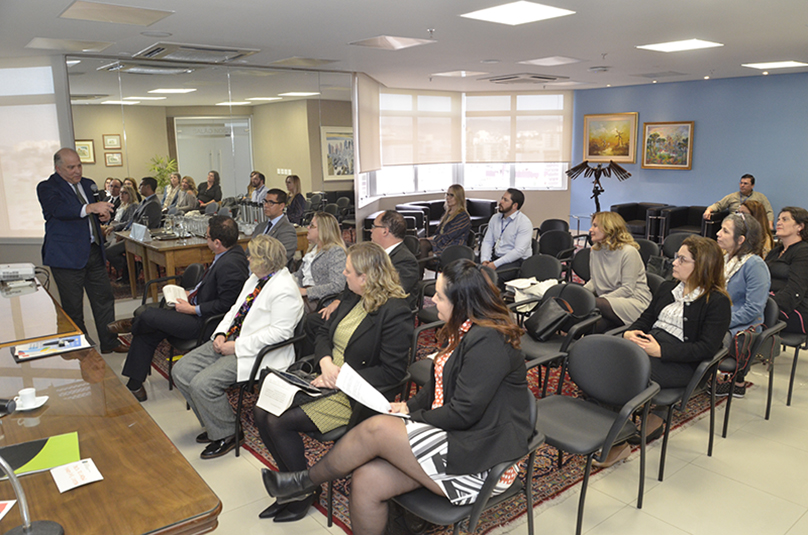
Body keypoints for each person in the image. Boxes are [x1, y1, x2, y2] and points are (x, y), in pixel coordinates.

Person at [260, 258, 532, 531]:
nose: (432, 300)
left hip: (481, 458)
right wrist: (407, 406)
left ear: (460, 301)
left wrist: (413, 417)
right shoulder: (466, 330)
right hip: (458, 438)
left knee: (377, 429)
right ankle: (302, 482)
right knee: (366, 479)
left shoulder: (488, 340)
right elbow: (439, 385)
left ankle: (305, 481)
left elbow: (464, 412)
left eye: (439, 295)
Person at [254, 241, 412, 523]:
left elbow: (392, 372)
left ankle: (303, 491)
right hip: (325, 376)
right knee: (261, 410)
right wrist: (326, 362)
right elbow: (323, 333)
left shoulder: (394, 312)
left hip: (353, 394)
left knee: (279, 421)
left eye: (348, 270)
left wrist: (341, 379)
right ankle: (291, 486)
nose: (343, 273)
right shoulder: (352, 295)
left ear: (366, 277)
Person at [173, 235, 304, 459]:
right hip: (232, 339)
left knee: (203, 384)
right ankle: (214, 423)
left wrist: (237, 346)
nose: (248, 258)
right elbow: (235, 310)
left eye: (252, 255)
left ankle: (228, 434)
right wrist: (221, 333)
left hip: (255, 351)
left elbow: (280, 334)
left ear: (266, 260)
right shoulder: (255, 278)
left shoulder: (285, 289)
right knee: (181, 371)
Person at [111, 215, 250, 401]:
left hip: (203, 323)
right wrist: (189, 293)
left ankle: (132, 326)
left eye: (207, 237)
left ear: (217, 243)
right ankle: (135, 386)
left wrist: (194, 309)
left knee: (147, 314)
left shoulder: (231, 264)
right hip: (194, 309)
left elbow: (227, 305)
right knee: (148, 331)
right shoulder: (226, 254)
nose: (205, 239)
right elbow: (209, 288)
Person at [623, 236, 730, 446]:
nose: (674, 262)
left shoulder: (717, 301)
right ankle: (614, 427)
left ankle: (618, 440)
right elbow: (646, 318)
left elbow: (706, 349)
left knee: (625, 370)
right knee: (606, 359)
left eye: (682, 259)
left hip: (683, 363)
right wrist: (631, 332)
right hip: (652, 345)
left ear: (702, 265)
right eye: (676, 257)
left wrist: (661, 351)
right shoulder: (667, 288)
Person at [36, 148, 124, 354]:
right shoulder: (47, 187)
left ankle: (109, 342)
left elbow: (95, 213)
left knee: (104, 298)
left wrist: (103, 216)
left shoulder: (88, 184)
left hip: (93, 251)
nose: (77, 171)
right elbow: (59, 210)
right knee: (73, 306)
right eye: (71, 167)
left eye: (79, 165)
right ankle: (81, 347)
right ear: (58, 168)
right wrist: (90, 208)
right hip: (66, 257)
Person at [715, 213, 770, 398]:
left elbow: (752, 310)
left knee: (703, 338)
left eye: (725, 231)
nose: (718, 234)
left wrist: (718, 321)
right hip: (722, 319)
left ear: (740, 239)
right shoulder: (726, 259)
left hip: (742, 326)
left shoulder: (755, 264)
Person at [583, 212, 652, 332]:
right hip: (606, 302)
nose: (590, 229)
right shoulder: (595, 251)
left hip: (633, 302)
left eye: (595, 226)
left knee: (590, 303)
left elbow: (627, 289)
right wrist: (581, 293)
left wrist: (600, 300)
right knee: (592, 326)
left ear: (609, 228)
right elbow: (594, 281)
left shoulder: (628, 252)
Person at [105, 177, 163, 275]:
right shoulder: (146, 201)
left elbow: (141, 225)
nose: (139, 187)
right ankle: (129, 269)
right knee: (104, 248)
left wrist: (125, 235)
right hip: (130, 235)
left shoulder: (152, 203)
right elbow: (131, 221)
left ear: (148, 187)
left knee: (109, 252)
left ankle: (132, 269)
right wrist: (119, 230)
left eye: (141, 185)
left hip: (138, 238)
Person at [765, 207, 808, 335]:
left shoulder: (803, 252)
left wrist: (765, 304)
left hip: (794, 309)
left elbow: (795, 291)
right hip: (769, 303)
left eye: (785, 219)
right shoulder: (775, 252)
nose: (778, 223)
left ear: (800, 226)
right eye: (778, 219)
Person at [293, 212, 347, 312]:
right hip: (304, 295)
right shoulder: (312, 250)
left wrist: (306, 291)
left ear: (324, 230)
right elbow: (299, 275)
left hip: (320, 301)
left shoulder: (335, 251)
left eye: (312, 226)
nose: (308, 227)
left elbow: (338, 285)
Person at [479, 188, 533, 283]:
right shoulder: (495, 218)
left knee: (491, 279)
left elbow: (518, 251)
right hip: (496, 257)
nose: (501, 202)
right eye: (502, 198)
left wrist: (495, 264)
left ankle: (491, 298)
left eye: (505, 200)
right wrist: (485, 260)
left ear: (514, 205)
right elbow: (488, 241)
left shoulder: (524, 223)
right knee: (470, 272)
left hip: (516, 261)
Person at [419, 184, 471, 260]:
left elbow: (448, 236)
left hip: (453, 249)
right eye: (447, 194)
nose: (447, 198)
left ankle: (418, 271)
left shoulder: (463, 217)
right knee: (419, 245)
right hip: (442, 244)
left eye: (451, 195)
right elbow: (439, 234)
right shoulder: (447, 214)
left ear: (459, 197)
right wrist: (428, 239)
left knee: (423, 247)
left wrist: (429, 239)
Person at [703, 173, 774, 227]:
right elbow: (718, 205)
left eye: (745, 183)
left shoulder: (760, 197)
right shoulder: (732, 196)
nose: (742, 185)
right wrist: (708, 210)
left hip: (752, 225)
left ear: (752, 186)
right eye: (741, 183)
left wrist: (769, 224)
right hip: (734, 225)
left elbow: (769, 212)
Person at [252, 188, 298, 266]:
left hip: (270, 272)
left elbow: (281, 259)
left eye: (271, 203)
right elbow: (249, 251)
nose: (266, 206)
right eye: (265, 202)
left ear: (281, 206)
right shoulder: (260, 227)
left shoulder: (287, 230)